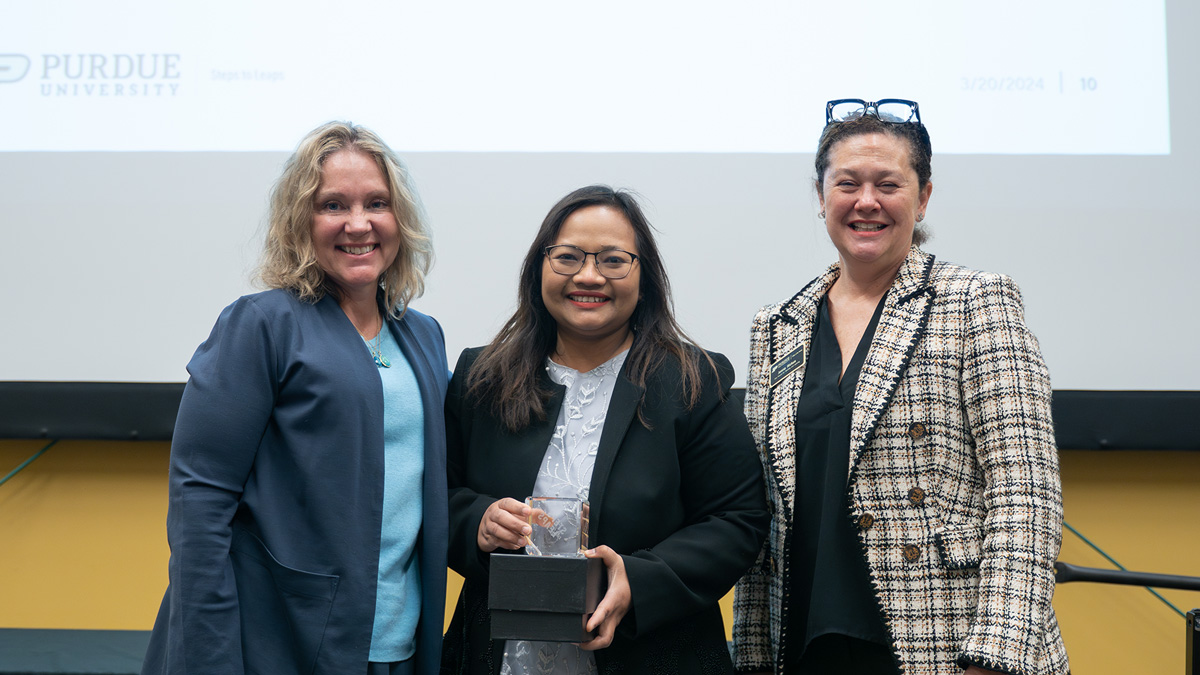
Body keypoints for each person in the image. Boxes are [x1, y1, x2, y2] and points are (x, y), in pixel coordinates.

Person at [732, 99, 1069, 675]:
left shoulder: (976, 301)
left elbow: (1026, 499)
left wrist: (993, 658)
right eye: (847, 183)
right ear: (821, 197)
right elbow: (766, 513)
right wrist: (753, 653)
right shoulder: (777, 325)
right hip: (806, 639)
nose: (867, 201)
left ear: (924, 196)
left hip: (943, 642)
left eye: (888, 183)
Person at [141, 121, 449, 675]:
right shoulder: (259, 325)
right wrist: (209, 655)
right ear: (300, 223)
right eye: (333, 204)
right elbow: (200, 504)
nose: (359, 224)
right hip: (277, 644)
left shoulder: (423, 335)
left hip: (397, 644)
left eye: (377, 203)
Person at [440, 185, 769, 675]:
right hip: (497, 655)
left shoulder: (691, 380)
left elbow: (736, 519)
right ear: (540, 268)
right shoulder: (481, 376)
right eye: (568, 257)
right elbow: (435, 497)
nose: (589, 276)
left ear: (645, 275)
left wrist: (635, 581)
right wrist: (477, 522)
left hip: (653, 653)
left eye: (614, 260)